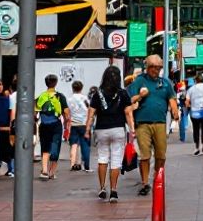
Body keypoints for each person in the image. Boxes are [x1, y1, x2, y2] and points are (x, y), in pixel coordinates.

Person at [127, 55, 179, 196]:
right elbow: (130, 99)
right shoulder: (139, 81)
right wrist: (141, 96)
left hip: (160, 123)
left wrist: (175, 111)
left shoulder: (165, 83)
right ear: (147, 67)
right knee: (144, 155)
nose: (156, 70)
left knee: (161, 154)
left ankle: (158, 177)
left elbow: (172, 98)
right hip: (142, 124)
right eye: (154, 67)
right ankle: (145, 183)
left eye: (159, 67)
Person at [87, 66, 134, 202]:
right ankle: (113, 191)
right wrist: (132, 129)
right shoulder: (123, 94)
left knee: (102, 158)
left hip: (101, 129)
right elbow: (128, 113)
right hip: (118, 129)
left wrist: (87, 129)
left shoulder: (97, 94)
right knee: (116, 159)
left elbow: (91, 114)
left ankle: (102, 188)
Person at [34, 75, 70, 180]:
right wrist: (66, 124)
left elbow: (34, 112)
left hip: (44, 125)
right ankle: (52, 173)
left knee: (45, 148)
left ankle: (44, 171)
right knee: (55, 148)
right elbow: (66, 113)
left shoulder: (41, 96)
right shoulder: (60, 96)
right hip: (56, 126)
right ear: (56, 83)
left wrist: (36, 120)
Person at [185, 74, 203, 155]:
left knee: (196, 129)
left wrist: (189, 106)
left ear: (196, 81)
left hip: (194, 112)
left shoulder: (191, 89)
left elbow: (187, 102)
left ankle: (197, 147)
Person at [66, 80, 91, 172]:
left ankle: (73, 164)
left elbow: (67, 112)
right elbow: (89, 109)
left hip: (74, 124)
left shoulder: (69, 99)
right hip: (84, 124)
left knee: (74, 144)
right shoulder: (85, 99)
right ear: (81, 88)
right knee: (85, 145)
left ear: (73, 88)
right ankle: (86, 165)